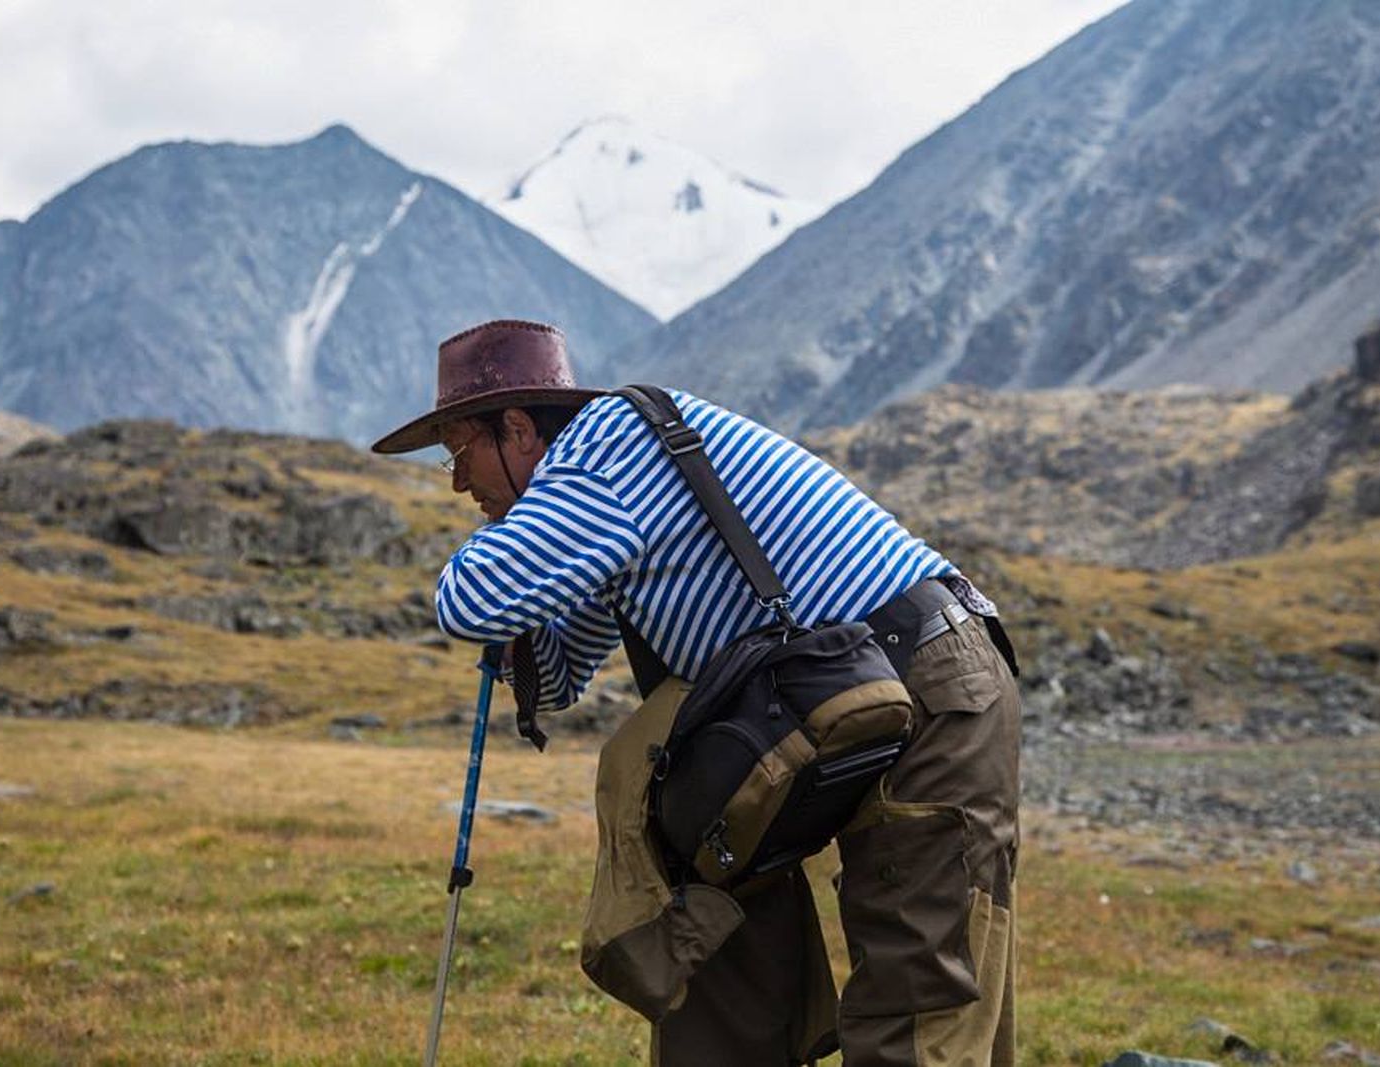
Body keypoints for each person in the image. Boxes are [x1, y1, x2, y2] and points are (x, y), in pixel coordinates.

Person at [374, 319, 1021, 1067]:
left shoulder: (610, 445)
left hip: (928, 680)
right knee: (726, 976)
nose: (457, 481)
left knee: (921, 999)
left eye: (461, 451)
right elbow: (559, 675)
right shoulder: (607, 505)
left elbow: (468, 597)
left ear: (517, 428)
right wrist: (522, 629)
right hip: (830, 698)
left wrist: (504, 571)